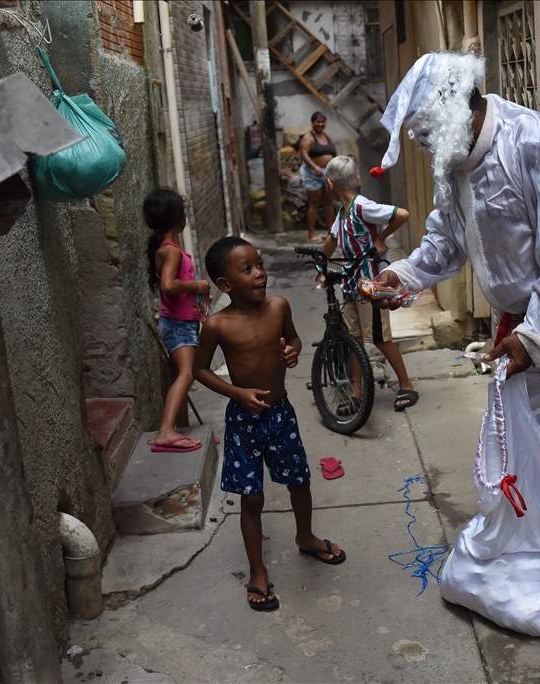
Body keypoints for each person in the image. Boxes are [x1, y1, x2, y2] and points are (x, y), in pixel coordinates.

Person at [367, 53, 540, 633]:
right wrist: (408, 275)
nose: (419, 143)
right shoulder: (453, 156)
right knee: (538, 443)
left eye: (422, 130)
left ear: (454, 110)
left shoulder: (530, 140)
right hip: (528, 323)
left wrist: (532, 337)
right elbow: (447, 236)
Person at [192, 236, 346, 611]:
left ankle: (305, 537)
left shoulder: (279, 306)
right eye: (247, 269)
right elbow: (198, 369)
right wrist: (236, 393)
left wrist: (292, 351)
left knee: (299, 481)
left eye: (259, 264)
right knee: (252, 497)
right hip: (244, 420)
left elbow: (292, 339)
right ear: (225, 284)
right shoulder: (217, 325)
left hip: (280, 414)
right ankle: (257, 570)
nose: (260, 273)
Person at [315, 155, 418, 412]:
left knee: (381, 339)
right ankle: (356, 391)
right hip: (351, 285)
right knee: (354, 338)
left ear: (330, 184)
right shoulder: (343, 214)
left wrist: (380, 238)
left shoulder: (362, 207)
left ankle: (407, 385)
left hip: (372, 284)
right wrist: (320, 267)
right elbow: (330, 242)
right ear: (356, 179)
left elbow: (401, 214)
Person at [145, 188, 212, 453]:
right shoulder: (170, 251)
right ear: (177, 218)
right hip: (179, 325)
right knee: (187, 373)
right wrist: (197, 285)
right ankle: (165, 432)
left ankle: (177, 429)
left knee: (178, 376)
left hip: (180, 322)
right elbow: (170, 285)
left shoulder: (167, 249)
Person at [298, 111, 337, 242]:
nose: (320, 124)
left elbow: (334, 153)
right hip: (313, 174)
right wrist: (315, 167)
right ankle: (311, 233)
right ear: (312, 123)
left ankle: (331, 232)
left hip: (328, 174)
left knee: (328, 202)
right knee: (314, 203)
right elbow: (304, 153)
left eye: (322, 121)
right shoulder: (308, 137)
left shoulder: (328, 137)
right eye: (317, 121)